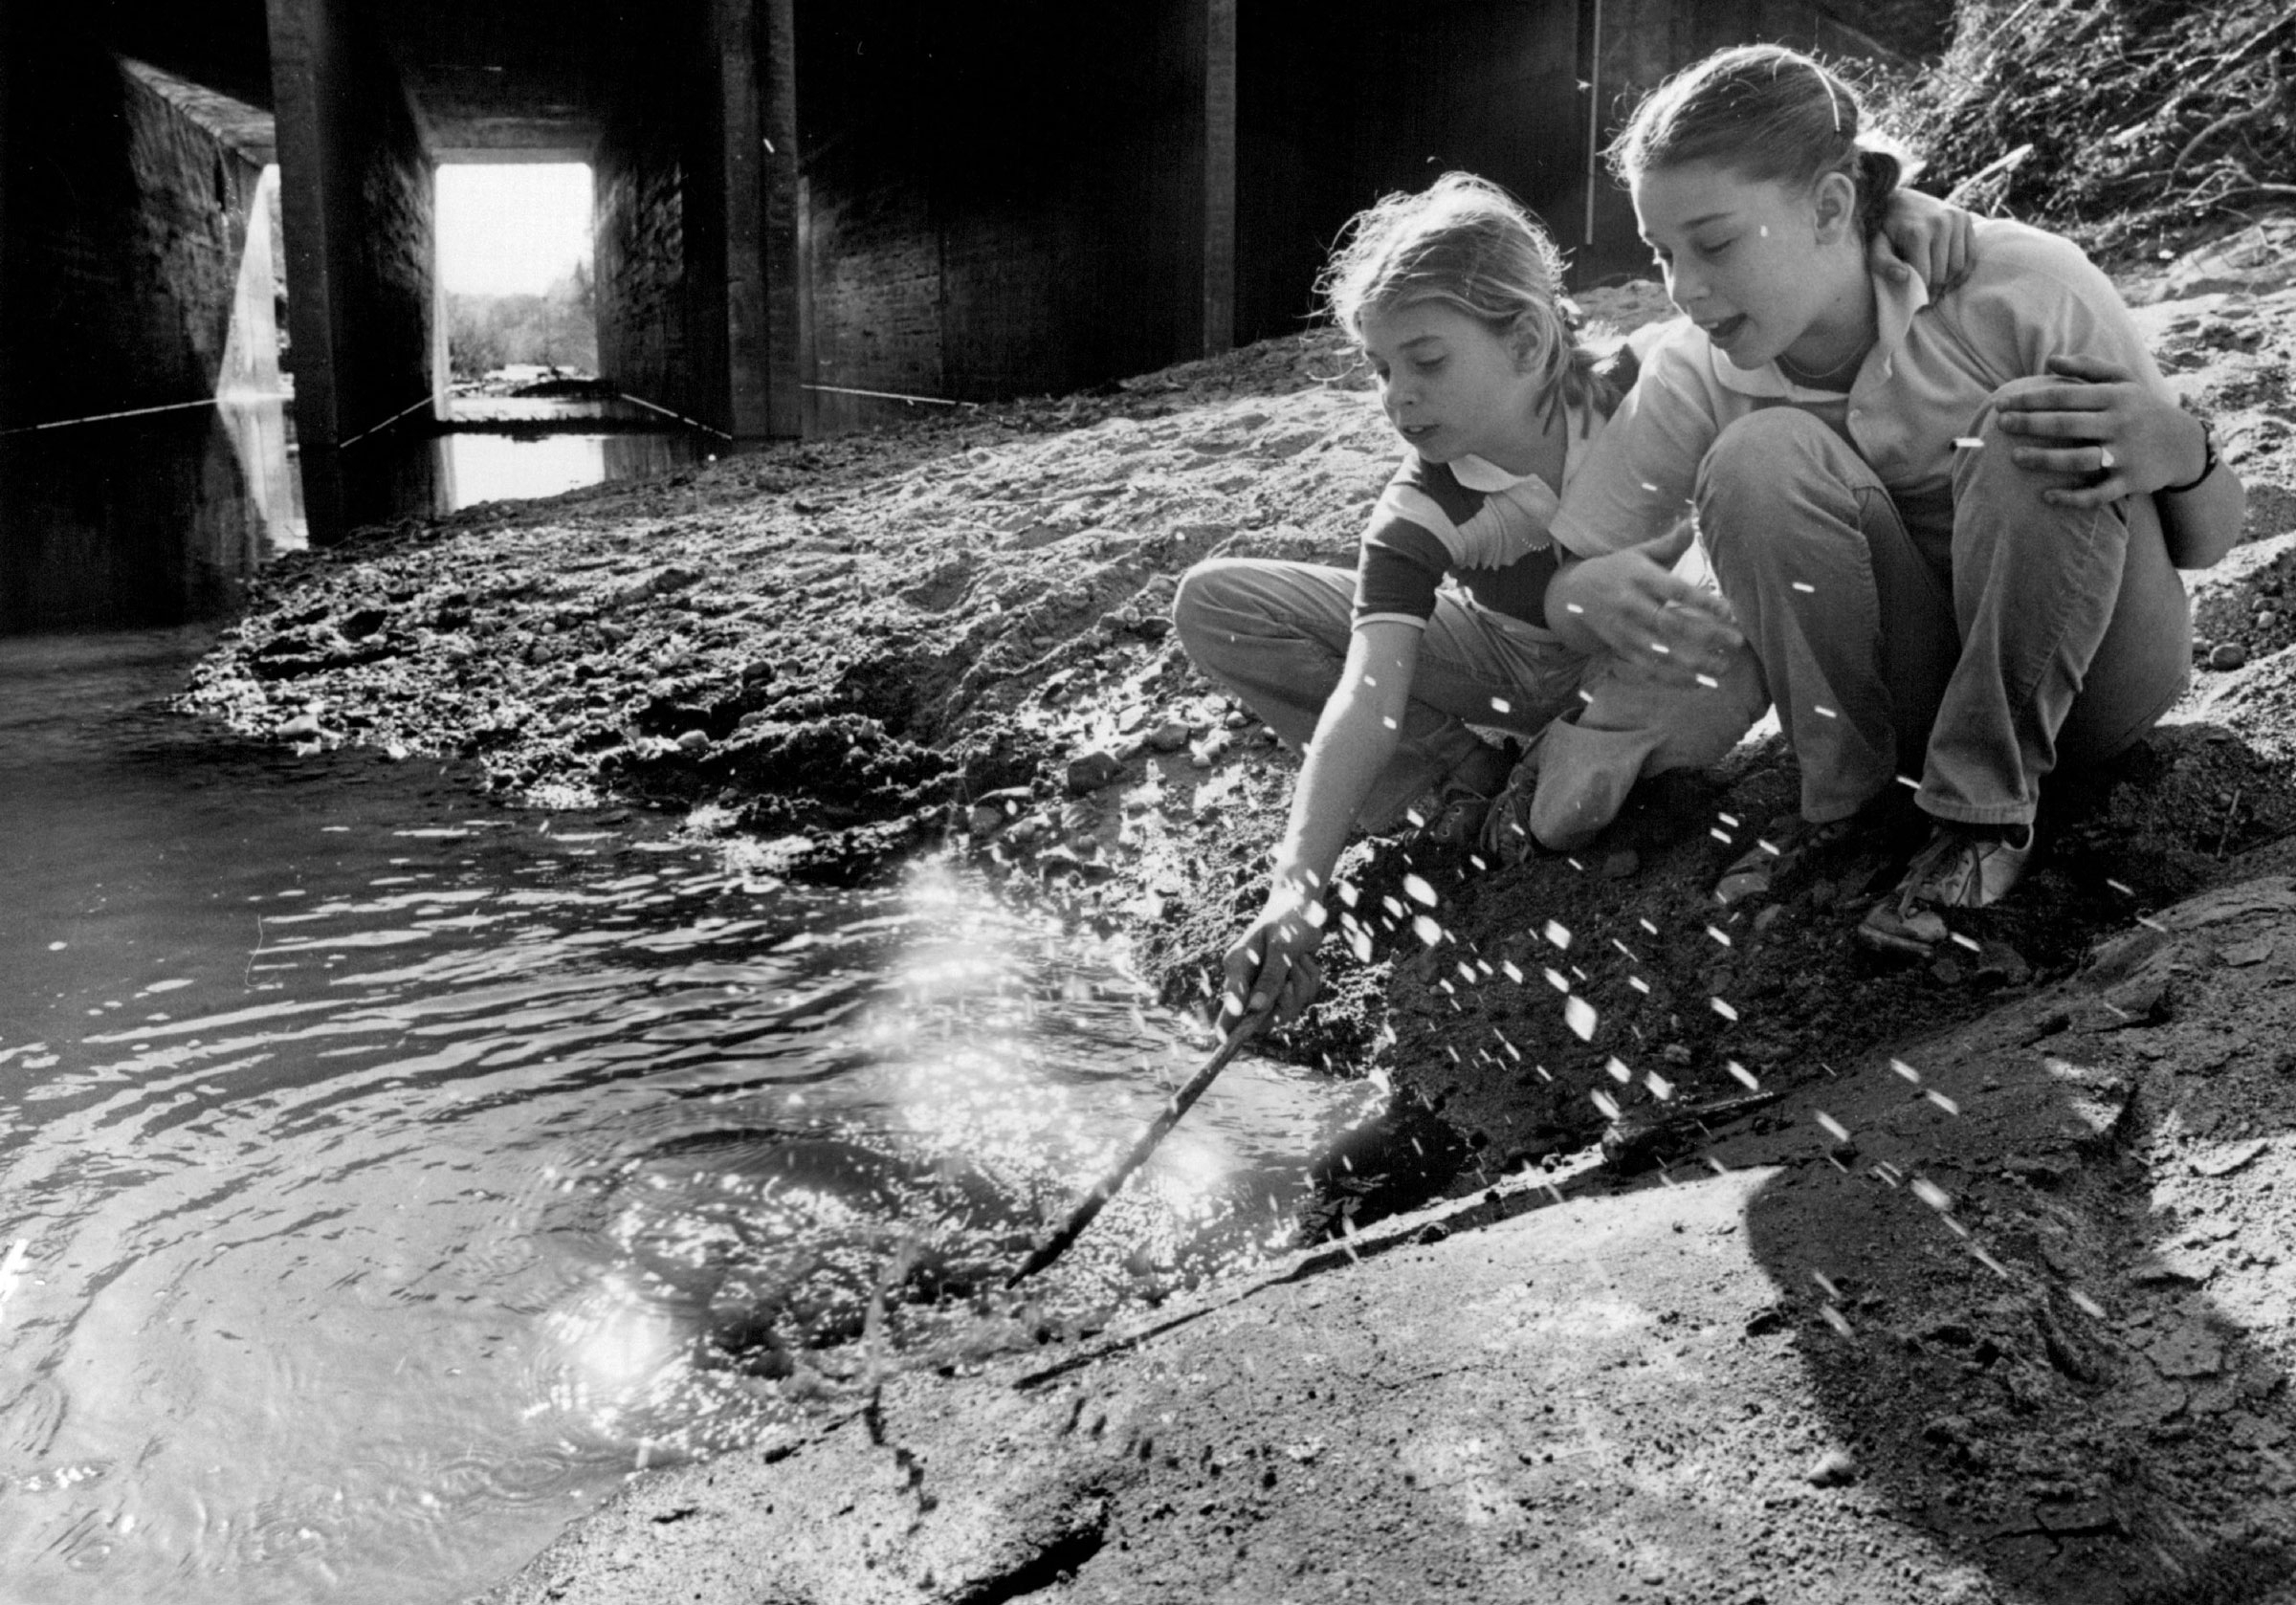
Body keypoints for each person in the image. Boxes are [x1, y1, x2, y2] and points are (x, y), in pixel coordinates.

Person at [1176, 170, 1972, 1028]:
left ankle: (1576, 769)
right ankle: (1461, 784)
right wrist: (1293, 894)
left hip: (1668, 642)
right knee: (1214, 601)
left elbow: (1813, 339)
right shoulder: (1420, 508)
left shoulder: (1649, 379)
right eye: (1379, 368)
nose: (1396, 397)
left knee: (1582, 792)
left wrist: (1898, 225)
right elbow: (1366, 695)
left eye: (1427, 361)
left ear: (1524, 342)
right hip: (1511, 667)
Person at [1546, 45, 2245, 960]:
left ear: (1833, 206)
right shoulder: (1695, 365)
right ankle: (1854, 808)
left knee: (2025, 424)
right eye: (1661, 253)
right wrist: (1591, 591)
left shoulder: (2022, 284)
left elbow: (2205, 544)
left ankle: (1984, 819)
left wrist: (2182, 450)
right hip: (1911, 710)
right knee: (1759, 457)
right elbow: (1568, 585)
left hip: (2101, 682)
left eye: (1713, 244)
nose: (1685, 287)